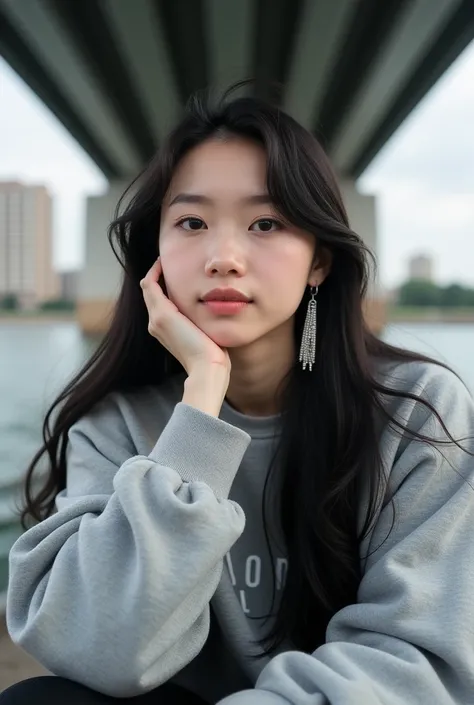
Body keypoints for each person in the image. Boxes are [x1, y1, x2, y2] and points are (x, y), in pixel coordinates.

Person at [2, 84, 474, 705]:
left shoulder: (415, 409)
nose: (224, 257)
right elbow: (98, 649)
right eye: (192, 223)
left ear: (319, 262)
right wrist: (201, 400)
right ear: (157, 254)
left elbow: (421, 661)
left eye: (266, 223)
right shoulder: (118, 423)